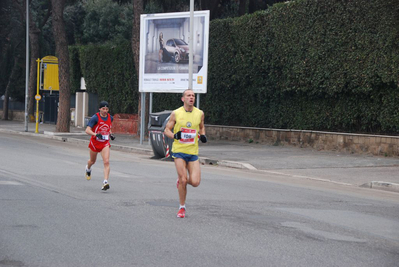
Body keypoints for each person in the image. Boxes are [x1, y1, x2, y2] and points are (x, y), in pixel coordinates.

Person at [164, 89, 207, 218]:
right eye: (188, 95)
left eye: (193, 95)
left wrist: (203, 135)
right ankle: (182, 207)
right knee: (183, 179)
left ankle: (181, 181)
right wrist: (174, 135)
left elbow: (201, 127)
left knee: (195, 182)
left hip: (193, 152)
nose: (191, 97)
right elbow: (167, 130)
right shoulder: (176, 113)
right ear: (183, 99)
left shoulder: (199, 113)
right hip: (179, 151)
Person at [85, 101, 115, 191]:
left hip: (105, 143)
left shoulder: (110, 118)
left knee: (106, 162)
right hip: (95, 143)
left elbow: (108, 128)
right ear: (100, 109)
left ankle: (105, 182)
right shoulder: (95, 118)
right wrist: (95, 134)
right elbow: (87, 130)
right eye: (103, 109)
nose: (105, 111)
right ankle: (88, 168)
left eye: (106, 109)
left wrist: (110, 134)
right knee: (92, 161)